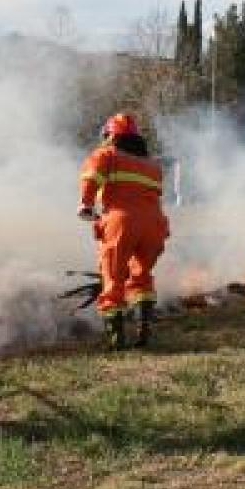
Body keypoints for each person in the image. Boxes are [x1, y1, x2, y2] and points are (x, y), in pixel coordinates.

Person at [77, 113, 170, 349]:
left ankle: (116, 341)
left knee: (113, 278)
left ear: (110, 135)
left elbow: (91, 177)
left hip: (121, 222)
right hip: (154, 225)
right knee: (141, 276)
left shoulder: (106, 154)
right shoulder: (152, 165)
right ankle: (143, 333)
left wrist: (86, 205)